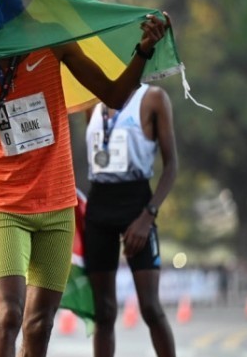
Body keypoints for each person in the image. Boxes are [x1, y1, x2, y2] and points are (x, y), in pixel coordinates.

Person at [0, 12, 171, 357]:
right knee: (8, 314)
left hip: (57, 208)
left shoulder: (53, 42)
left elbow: (113, 94)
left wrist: (143, 49)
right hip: (6, 207)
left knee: (40, 324)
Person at [83, 82, 177, 357]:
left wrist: (148, 216)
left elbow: (171, 165)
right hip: (99, 206)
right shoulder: (91, 99)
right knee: (104, 311)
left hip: (137, 204)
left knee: (149, 306)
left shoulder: (153, 98)